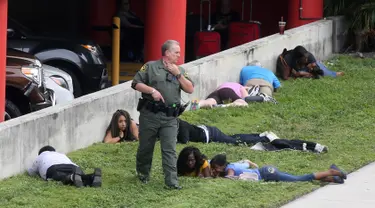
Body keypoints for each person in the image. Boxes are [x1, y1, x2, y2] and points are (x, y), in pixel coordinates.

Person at [131, 40, 194, 190]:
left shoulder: (180, 70)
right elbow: (135, 83)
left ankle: (171, 182)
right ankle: (143, 174)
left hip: (170, 117)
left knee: (169, 150)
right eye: (176, 52)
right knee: (146, 146)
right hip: (150, 115)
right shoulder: (151, 67)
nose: (179, 55)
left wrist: (177, 74)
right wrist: (152, 91)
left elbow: (190, 89)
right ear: (167, 53)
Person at [177, 119, 328, 154]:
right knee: (234, 138)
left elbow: (184, 139)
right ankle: (259, 136)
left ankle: (262, 138)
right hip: (208, 130)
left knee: (234, 141)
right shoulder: (178, 124)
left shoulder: (180, 125)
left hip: (210, 134)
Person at [210, 154, 347, 183]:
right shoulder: (234, 165)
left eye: (216, 168)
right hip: (267, 171)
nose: (215, 170)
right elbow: (246, 163)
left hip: (267, 174)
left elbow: (230, 177)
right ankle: (333, 178)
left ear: (222, 166)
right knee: (297, 178)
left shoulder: (230, 168)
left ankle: (331, 171)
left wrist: (213, 177)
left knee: (299, 179)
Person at [27, 145, 102, 188]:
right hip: (73, 167)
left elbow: (32, 172)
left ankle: (72, 177)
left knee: (60, 177)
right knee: (80, 177)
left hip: (53, 168)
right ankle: (91, 177)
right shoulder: (61, 154)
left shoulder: (41, 155)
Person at [277, 45, 344, 80]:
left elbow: (318, 70)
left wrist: (311, 71)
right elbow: (285, 77)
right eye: (304, 58)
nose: (306, 59)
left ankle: (335, 73)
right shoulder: (288, 58)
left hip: (306, 69)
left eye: (307, 58)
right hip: (296, 70)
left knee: (323, 72)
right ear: (298, 58)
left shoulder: (309, 56)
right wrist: (297, 75)